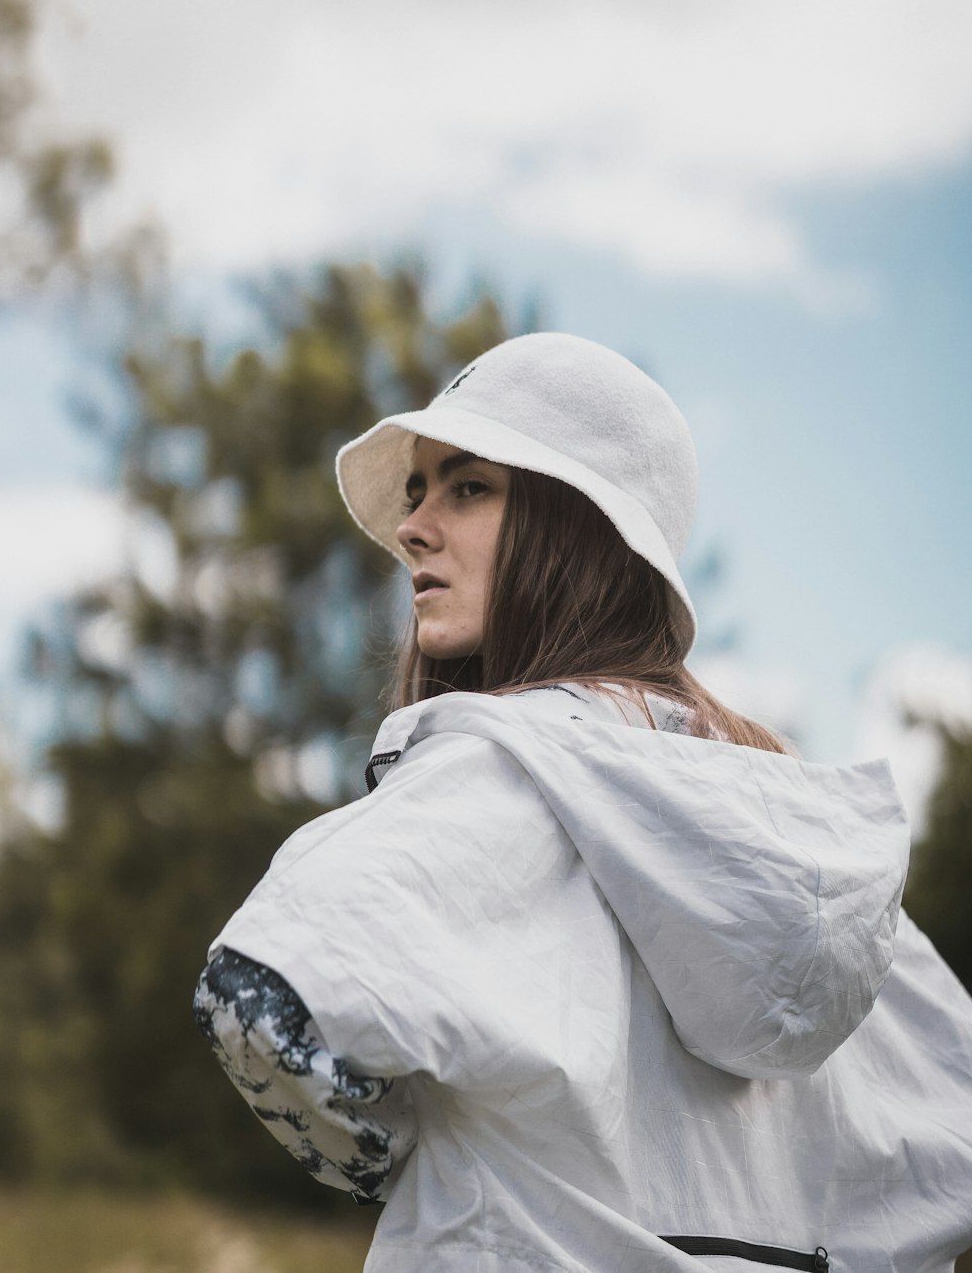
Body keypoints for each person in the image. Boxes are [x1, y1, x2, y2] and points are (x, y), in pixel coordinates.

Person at [194, 333, 972, 1272]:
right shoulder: (803, 843)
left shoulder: (500, 772)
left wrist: (407, 1153)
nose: (413, 525)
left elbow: (258, 995)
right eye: (417, 490)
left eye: (468, 486)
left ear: (578, 527)